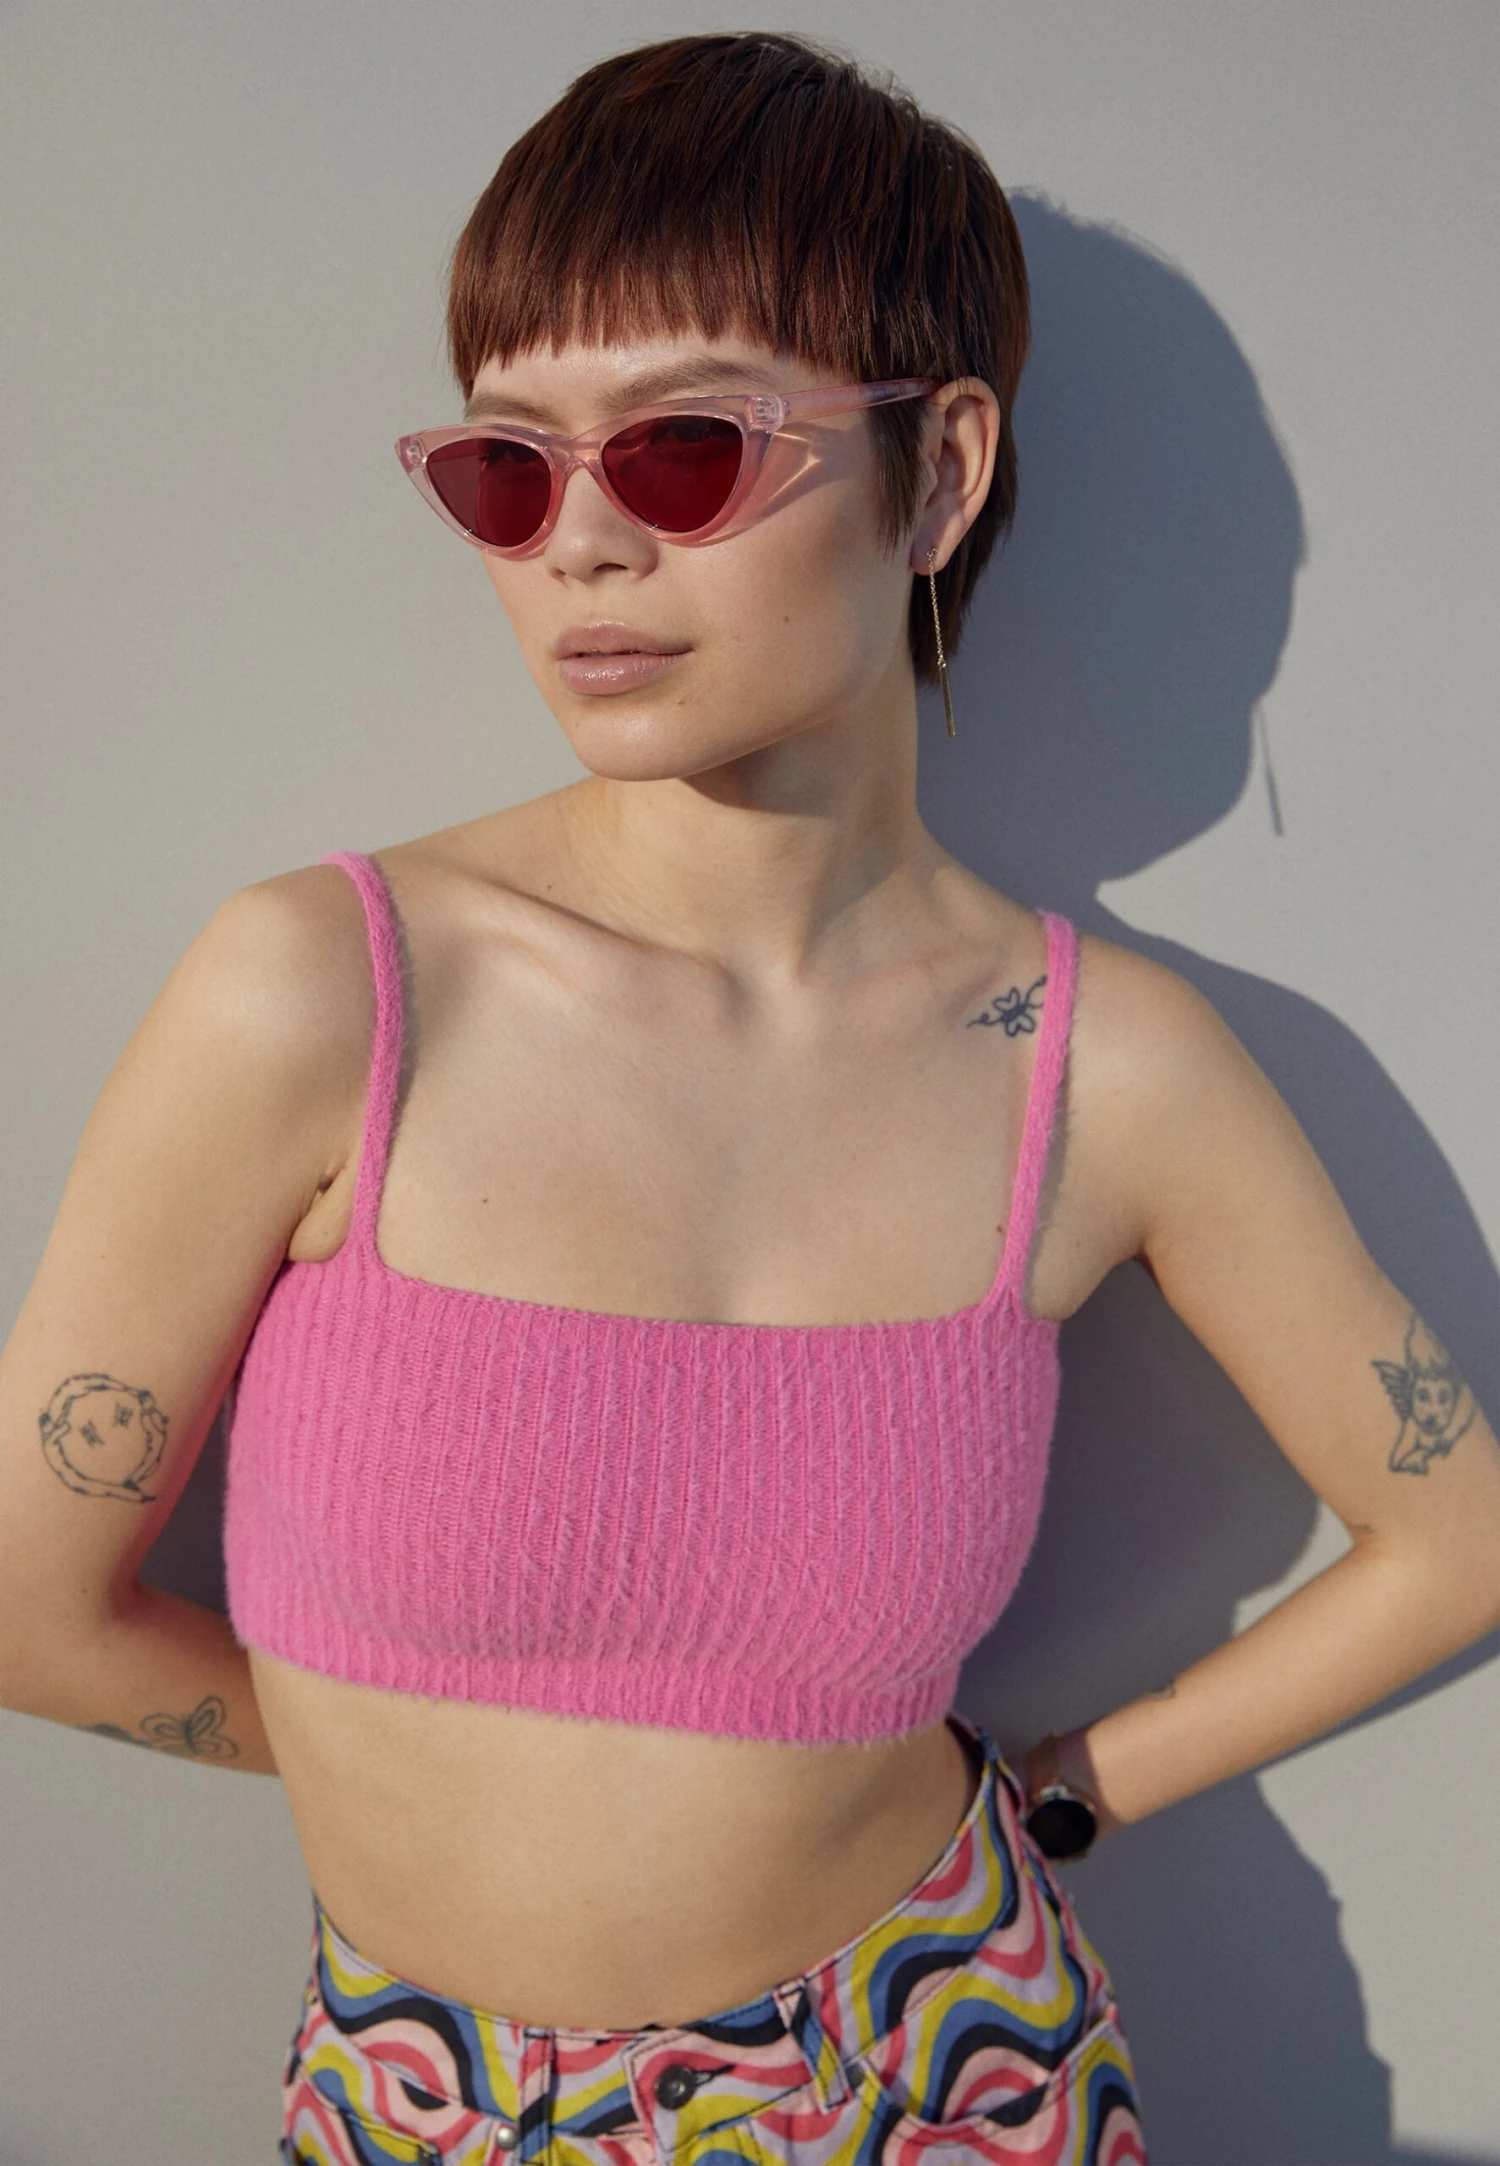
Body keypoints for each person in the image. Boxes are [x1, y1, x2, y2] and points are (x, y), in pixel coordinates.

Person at [2, 28, 1497, 2166]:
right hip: (427, 2102)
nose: (580, 544)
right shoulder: (323, 995)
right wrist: (386, 1765)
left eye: (687, 448)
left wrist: (1066, 1800)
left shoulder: (1103, 1069)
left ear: (942, 474)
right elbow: (29, 1602)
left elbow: (1457, 1534)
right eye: (508, 469)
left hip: (948, 2068)